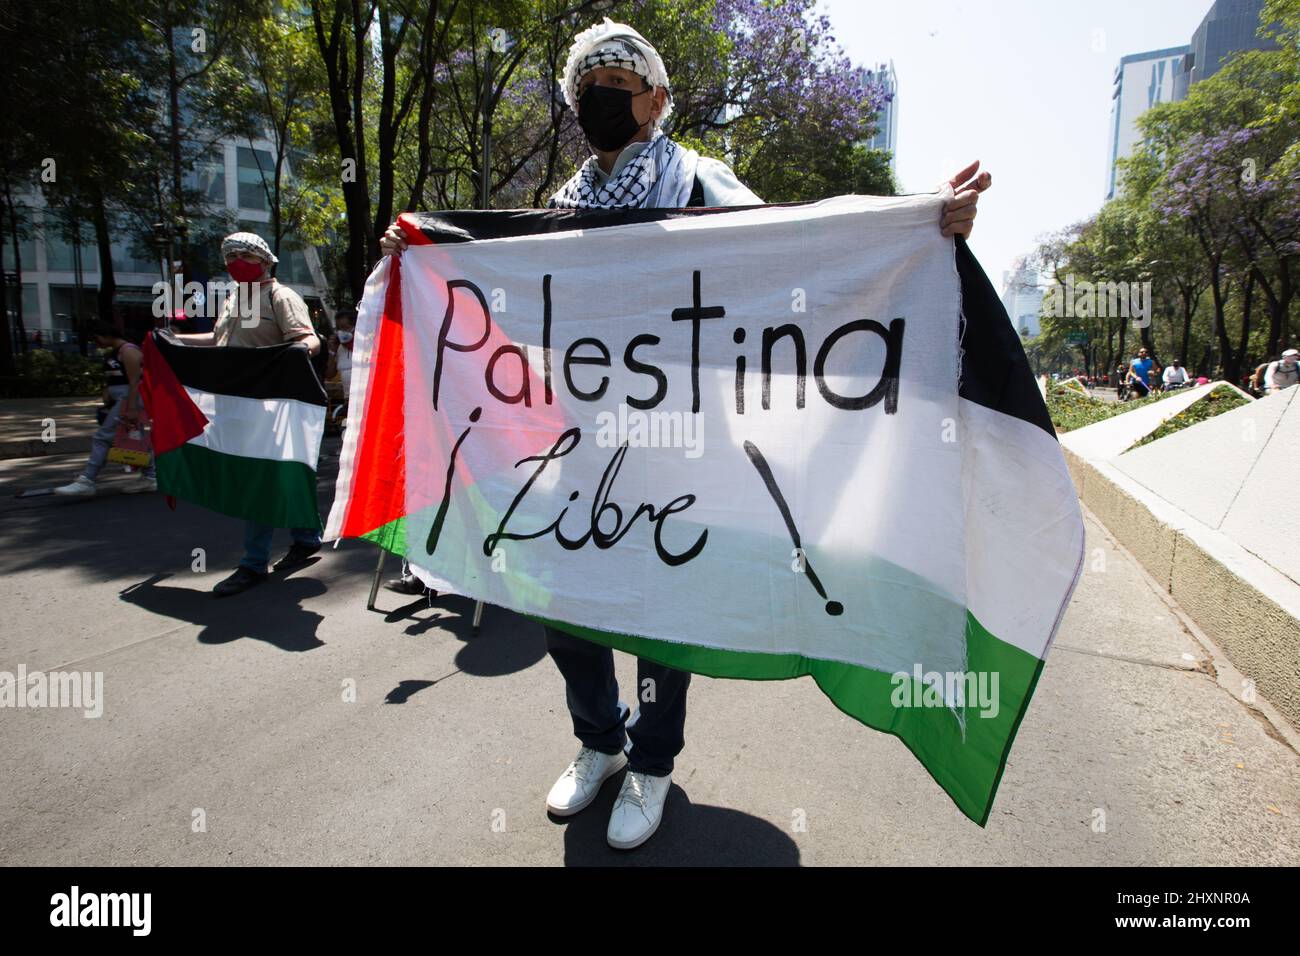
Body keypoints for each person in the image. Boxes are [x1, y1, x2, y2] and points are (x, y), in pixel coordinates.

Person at [378, 17, 991, 850]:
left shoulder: (703, 183)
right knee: (568, 609)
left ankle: (653, 765)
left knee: (664, 611)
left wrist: (921, 223)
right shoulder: (563, 205)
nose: (596, 101)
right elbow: (512, 296)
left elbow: (798, 250)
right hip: (581, 442)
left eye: (614, 86)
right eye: (584, 89)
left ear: (658, 97)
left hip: (680, 446)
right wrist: (424, 255)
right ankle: (599, 741)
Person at [172, 232, 324, 597]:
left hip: (270, 406)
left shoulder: (281, 296)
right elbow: (218, 340)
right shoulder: (234, 298)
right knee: (274, 476)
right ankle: (307, 536)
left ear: (264, 259)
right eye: (228, 257)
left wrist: (297, 351)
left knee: (258, 479)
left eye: (243, 255)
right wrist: (172, 341)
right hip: (236, 404)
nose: (235, 262)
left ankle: (253, 564)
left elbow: (310, 340)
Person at [54, 320, 156, 496]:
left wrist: (131, 408)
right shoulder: (117, 352)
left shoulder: (129, 351)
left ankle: (87, 480)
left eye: (96, 338)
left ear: (106, 335)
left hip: (128, 400)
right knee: (137, 440)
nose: (96, 342)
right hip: (122, 401)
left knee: (102, 437)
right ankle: (151, 477)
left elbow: (135, 382)